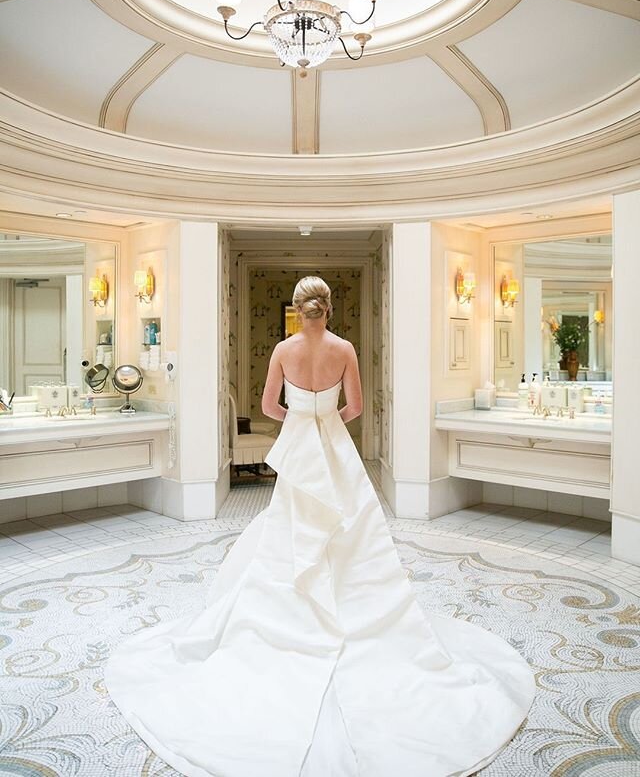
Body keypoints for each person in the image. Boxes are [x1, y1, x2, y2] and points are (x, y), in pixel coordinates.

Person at [104, 275, 536, 777]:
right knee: (352, 524)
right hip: (332, 441)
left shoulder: (283, 349)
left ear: (297, 309)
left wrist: (297, 414)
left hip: (300, 444)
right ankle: (357, 611)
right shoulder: (345, 348)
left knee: (291, 525)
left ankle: (296, 611)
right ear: (328, 309)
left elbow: (268, 406)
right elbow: (353, 407)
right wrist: (325, 415)